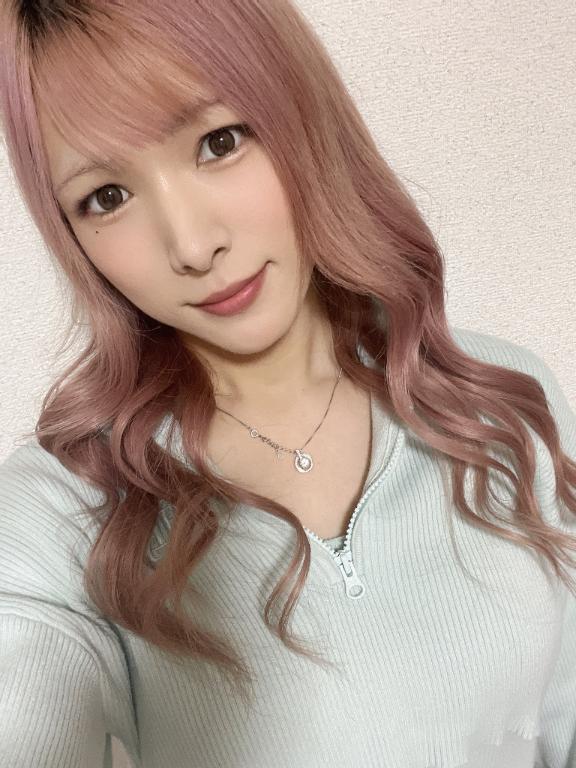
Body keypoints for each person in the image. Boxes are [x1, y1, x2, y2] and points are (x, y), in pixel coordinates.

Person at [0, 2, 575, 767]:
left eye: (219, 142)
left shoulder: (500, 402)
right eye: (107, 197)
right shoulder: (66, 509)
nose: (193, 245)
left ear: (301, 114)